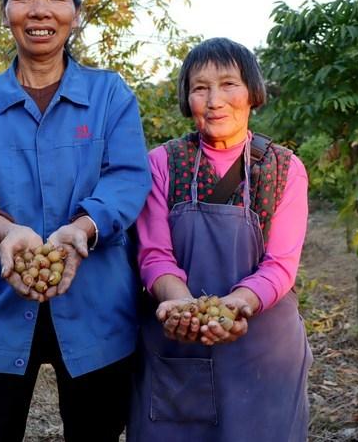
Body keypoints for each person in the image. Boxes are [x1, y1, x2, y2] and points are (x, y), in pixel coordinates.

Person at [0, 0, 151, 442]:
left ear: (75, 13)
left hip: (99, 304)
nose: (40, 10)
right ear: (5, 10)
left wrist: (81, 229)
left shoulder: (110, 95)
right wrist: (6, 231)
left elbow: (127, 179)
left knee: (96, 430)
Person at [127, 37, 312, 441]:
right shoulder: (161, 164)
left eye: (229, 84)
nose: (215, 100)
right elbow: (155, 255)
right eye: (200, 87)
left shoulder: (283, 169)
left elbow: (280, 264)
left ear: (251, 93)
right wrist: (179, 303)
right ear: (186, 97)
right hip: (178, 345)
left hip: (265, 352)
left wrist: (237, 306)